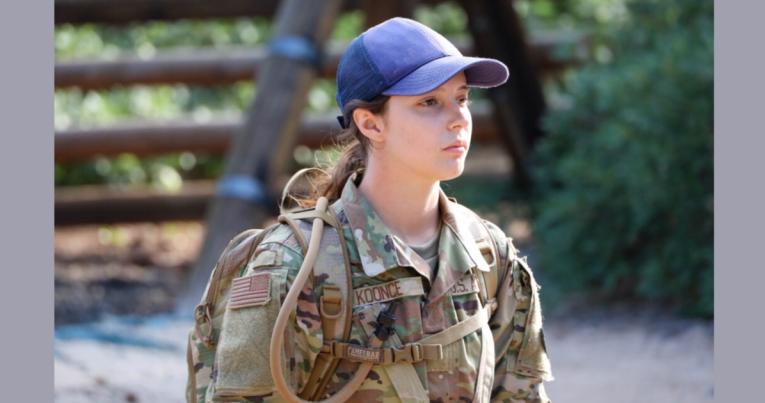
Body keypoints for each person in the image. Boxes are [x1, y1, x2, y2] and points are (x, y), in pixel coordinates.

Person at [198, 17, 553, 403]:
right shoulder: (293, 266)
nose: (458, 119)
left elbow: (521, 395)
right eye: (429, 102)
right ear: (371, 124)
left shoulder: (490, 254)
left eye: (462, 98)